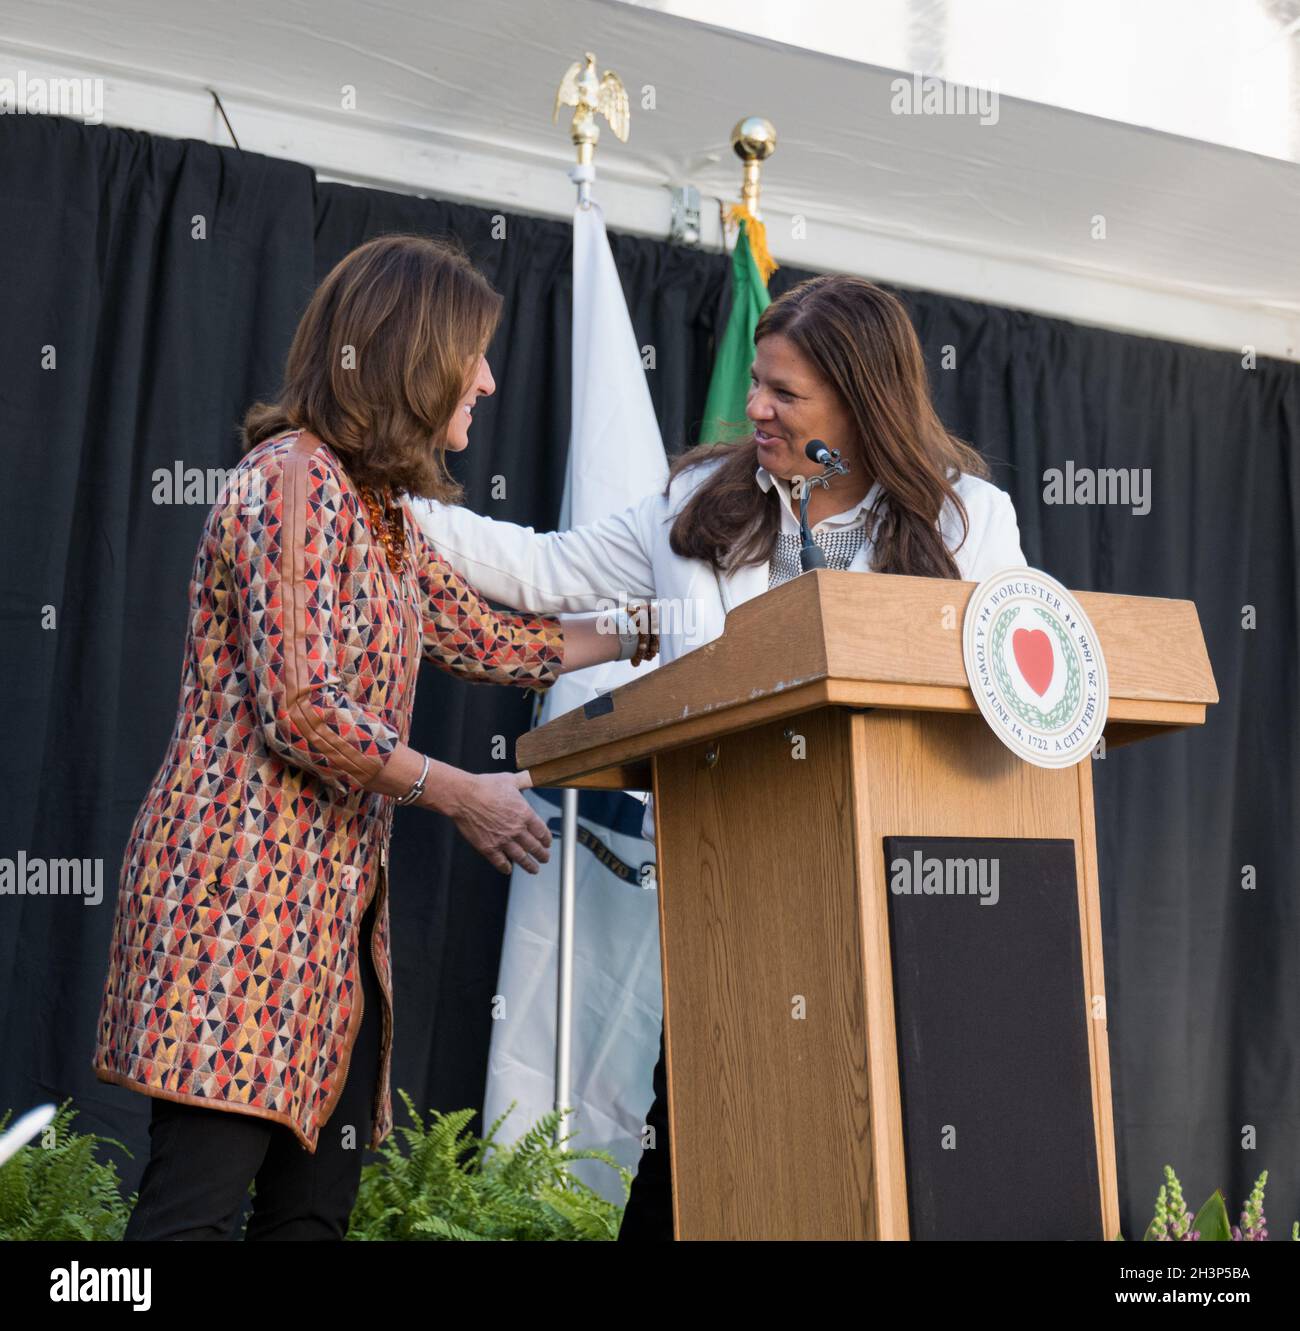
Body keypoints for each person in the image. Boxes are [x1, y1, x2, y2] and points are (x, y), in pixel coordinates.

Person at [408, 273, 1029, 1239]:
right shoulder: (705, 498)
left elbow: (1015, 680)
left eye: (785, 393)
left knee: (865, 1181)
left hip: (894, 913)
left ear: (861, 401)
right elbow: (542, 569)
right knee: (697, 1171)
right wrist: (375, 500)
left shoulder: (970, 523)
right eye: (756, 382)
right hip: (725, 906)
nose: (756, 408)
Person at [94, 233, 655, 1241]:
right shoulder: (292, 481)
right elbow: (305, 705)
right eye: (471, 355)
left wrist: (661, 624)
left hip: (329, 939)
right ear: (410, 354)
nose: (486, 380)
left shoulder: (377, 507)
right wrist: (461, 790)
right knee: (189, 1218)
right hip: (237, 918)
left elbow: (491, 636)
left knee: (312, 1213)